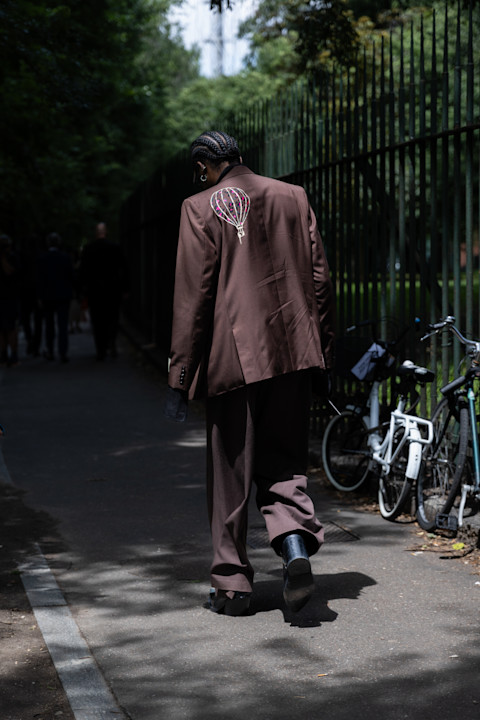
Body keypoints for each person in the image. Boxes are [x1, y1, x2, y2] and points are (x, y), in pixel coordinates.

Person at [166, 130, 335, 617]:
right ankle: (295, 546)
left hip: (234, 361)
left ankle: (233, 586)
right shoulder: (293, 196)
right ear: (240, 157)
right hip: (294, 356)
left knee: (230, 475)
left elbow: (192, 299)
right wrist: (322, 355)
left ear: (203, 166)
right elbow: (321, 281)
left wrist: (180, 377)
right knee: (285, 465)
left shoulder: (199, 207)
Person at [79, 222, 129, 361]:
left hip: (95, 291)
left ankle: (101, 348)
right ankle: (111, 343)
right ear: (105, 232)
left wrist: (83, 290)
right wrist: (125, 288)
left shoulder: (89, 249)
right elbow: (124, 269)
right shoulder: (115, 248)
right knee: (112, 318)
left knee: (97, 320)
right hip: (112, 290)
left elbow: (83, 271)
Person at [37, 232, 74, 363]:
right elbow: (71, 276)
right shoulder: (65, 258)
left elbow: (40, 279)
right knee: (62, 325)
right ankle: (63, 352)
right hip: (63, 296)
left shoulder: (42, 258)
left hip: (48, 296)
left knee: (49, 324)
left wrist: (40, 296)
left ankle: (50, 350)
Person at [0, 234, 21, 367]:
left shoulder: (12, 258)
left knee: (10, 328)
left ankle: (12, 354)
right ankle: (4, 354)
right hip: (6, 297)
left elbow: (11, 272)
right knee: (3, 329)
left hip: (10, 297)